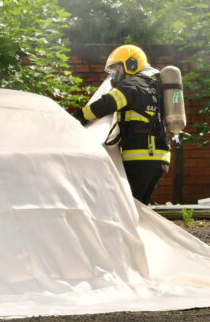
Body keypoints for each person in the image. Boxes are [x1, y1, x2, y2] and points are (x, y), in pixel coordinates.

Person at [72, 44, 170, 205]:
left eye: (117, 68)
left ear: (131, 65)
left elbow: (104, 105)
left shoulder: (131, 86)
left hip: (141, 156)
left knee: (129, 206)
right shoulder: (155, 85)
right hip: (159, 157)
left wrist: (76, 119)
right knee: (139, 205)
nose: (115, 74)